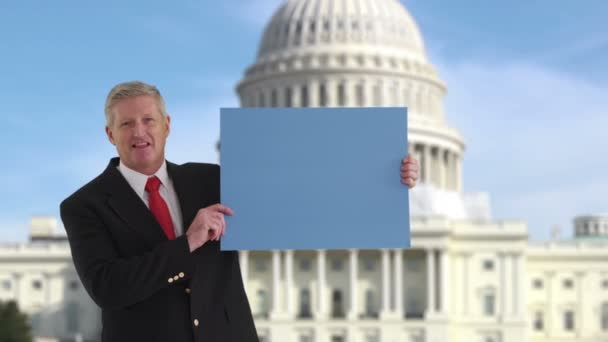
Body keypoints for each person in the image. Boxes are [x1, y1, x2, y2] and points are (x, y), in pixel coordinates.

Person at [60, 81, 419, 342]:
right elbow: (107, 288)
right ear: (110, 134)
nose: (140, 132)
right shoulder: (83, 206)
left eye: (148, 120)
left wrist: (385, 177)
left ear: (166, 125)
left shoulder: (212, 180)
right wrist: (188, 243)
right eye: (126, 124)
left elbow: (302, 194)